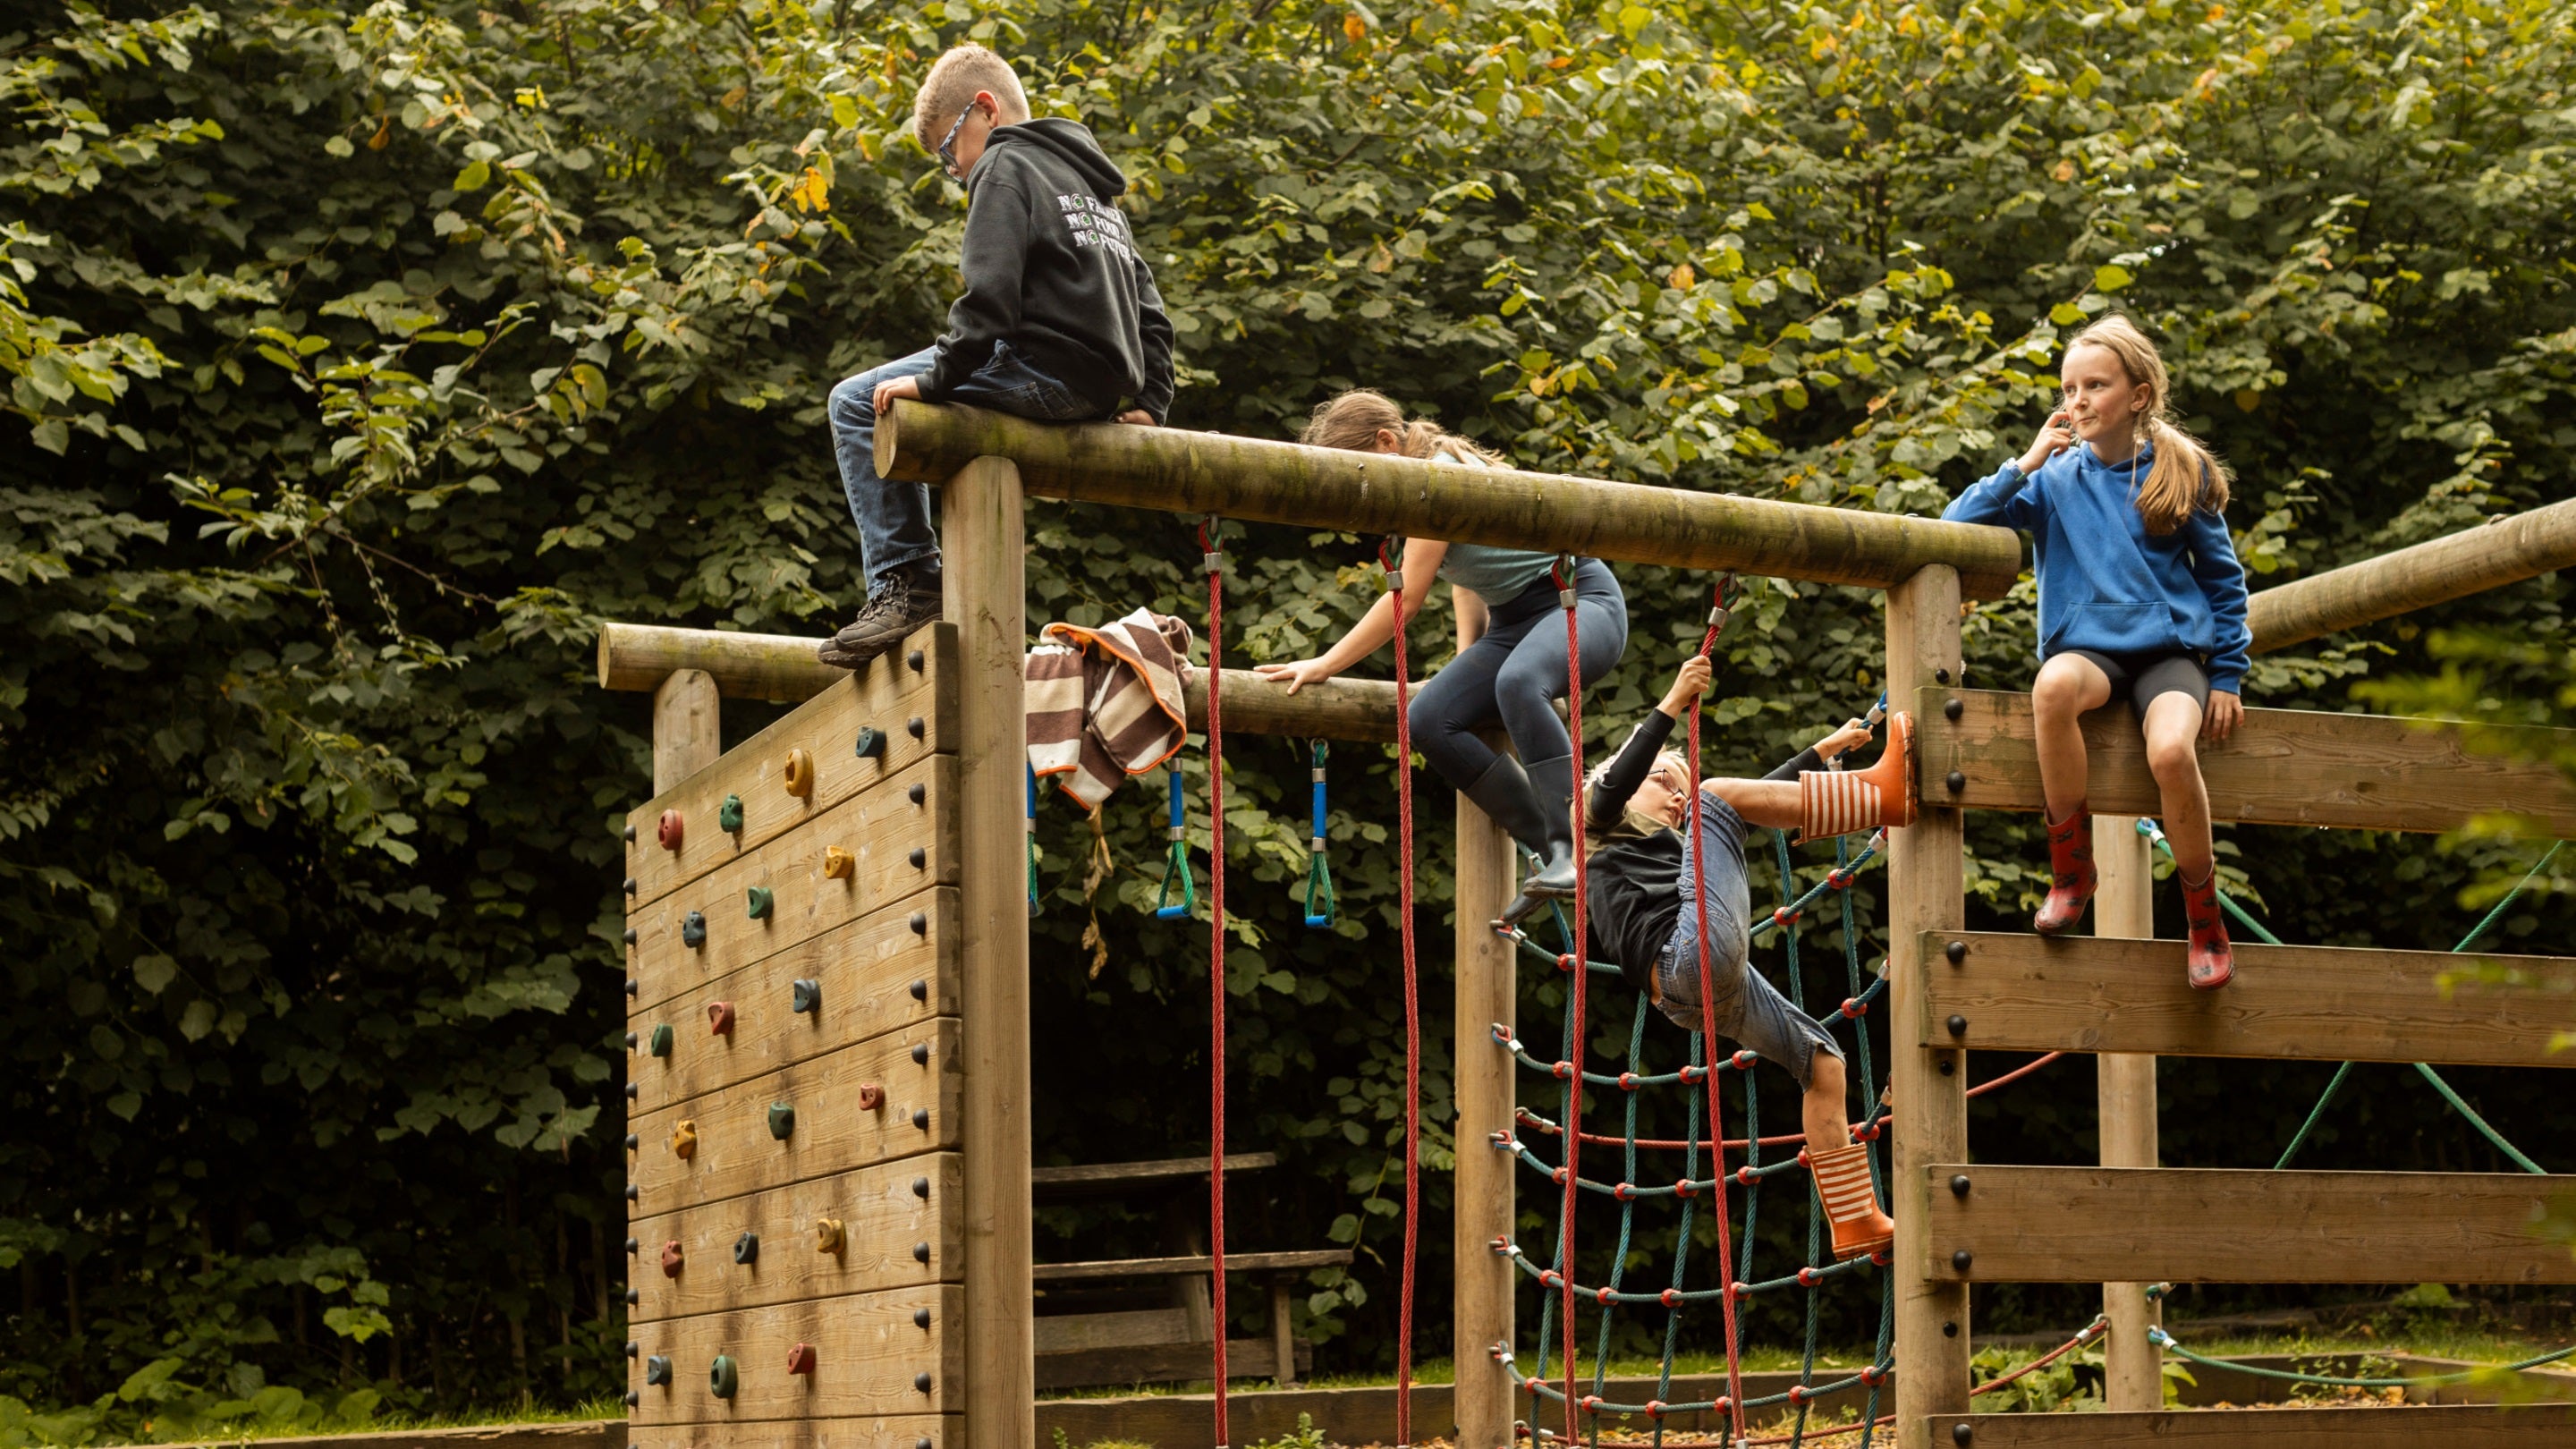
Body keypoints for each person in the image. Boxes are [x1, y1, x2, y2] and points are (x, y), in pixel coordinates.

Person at [818, 45, 1174, 669]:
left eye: (949, 147)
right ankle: (912, 581)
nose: (954, 168)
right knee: (890, 397)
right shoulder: (1091, 184)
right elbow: (1149, 304)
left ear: (985, 109)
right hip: (1098, 386)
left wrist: (936, 381)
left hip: (1036, 368)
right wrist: (1151, 401)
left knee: (852, 403)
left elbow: (989, 299)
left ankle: (907, 582)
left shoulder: (1004, 166)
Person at [1942, 315, 2250, 989]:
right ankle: (2072, 873)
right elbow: (1953, 525)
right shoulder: (2053, 478)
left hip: (2170, 653)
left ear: (2137, 397)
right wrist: (2024, 462)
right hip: (2089, 653)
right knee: (2050, 689)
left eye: (2095, 386)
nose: (2076, 400)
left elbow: (2224, 581)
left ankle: (2204, 918)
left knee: (2170, 751)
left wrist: (2226, 674)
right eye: (2068, 387)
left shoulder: (2178, 469)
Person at [1581, 654, 1914, 1260]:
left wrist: (1821, 750)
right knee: (1718, 796)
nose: (1679, 798)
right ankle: (1881, 798)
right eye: (1664, 783)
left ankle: (1857, 1220)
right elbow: (1618, 784)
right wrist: (1673, 699)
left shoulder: (1678, 846)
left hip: (1697, 992)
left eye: (1680, 789)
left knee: (1823, 1061)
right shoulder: (1602, 830)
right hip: (1684, 959)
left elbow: (1754, 800)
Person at [1253, 391, 1629, 924]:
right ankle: (1549, 854)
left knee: (1519, 683)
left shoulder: (1434, 477)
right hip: (1516, 621)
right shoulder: (1423, 485)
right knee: (1430, 718)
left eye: (1361, 472)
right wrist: (1465, 662)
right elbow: (1468, 579)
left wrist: (1325, 663)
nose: (1361, 494)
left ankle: (1573, 845)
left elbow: (1404, 602)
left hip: (1579, 600)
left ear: (1387, 442)